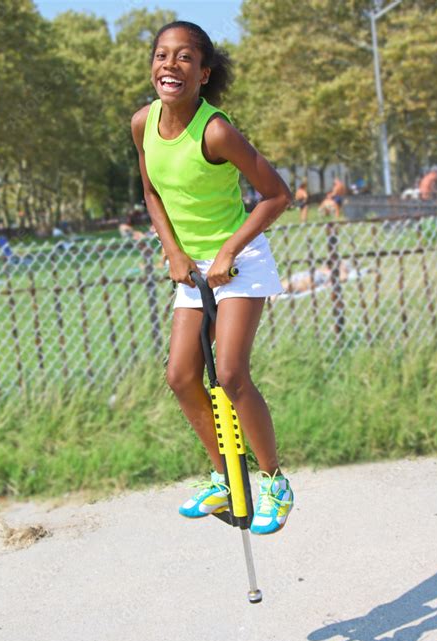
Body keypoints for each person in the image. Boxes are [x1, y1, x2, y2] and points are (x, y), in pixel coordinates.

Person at [131, 21, 294, 535]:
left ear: (203, 74)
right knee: (181, 376)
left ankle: (274, 482)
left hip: (239, 263)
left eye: (184, 58)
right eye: (162, 55)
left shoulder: (216, 130)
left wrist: (227, 250)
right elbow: (152, 193)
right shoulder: (142, 123)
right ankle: (226, 475)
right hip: (190, 267)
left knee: (229, 374)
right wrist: (173, 251)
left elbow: (276, 194)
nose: (169, 65)